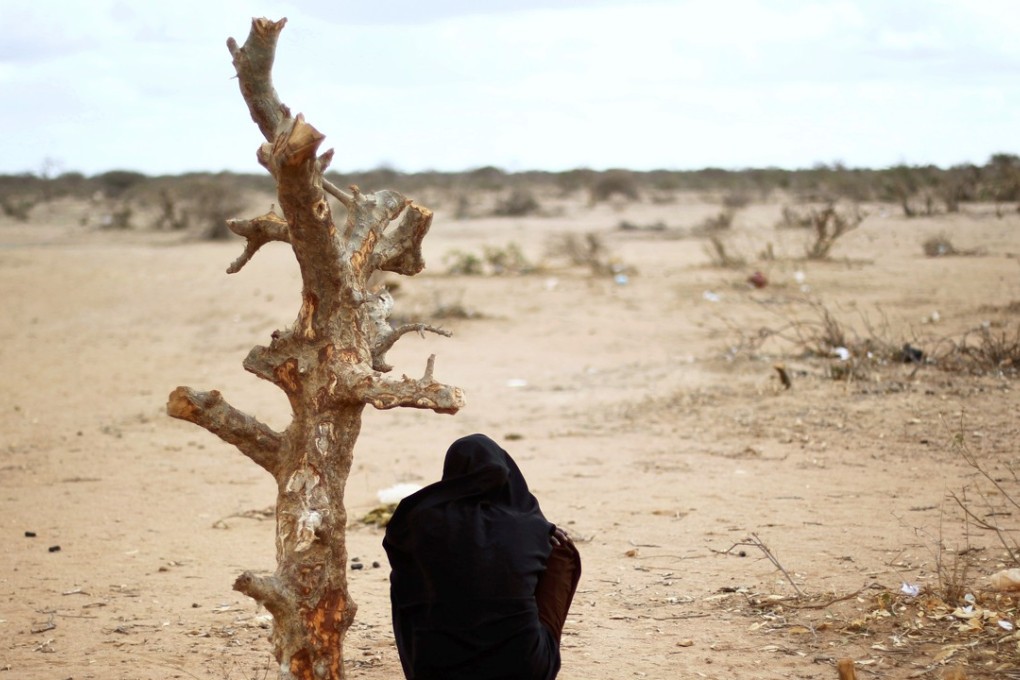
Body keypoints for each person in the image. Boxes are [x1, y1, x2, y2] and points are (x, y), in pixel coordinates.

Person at [383, 434, 581, 680]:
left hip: (435, 670)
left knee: (407, 571)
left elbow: (396, 537)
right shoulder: (528, 527)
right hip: (524, 669)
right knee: (561, 551)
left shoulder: (420, 522)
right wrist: (544, 531)